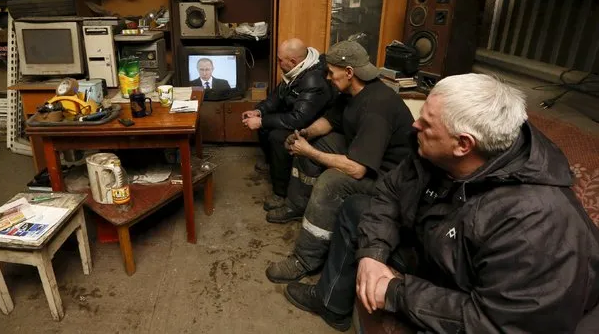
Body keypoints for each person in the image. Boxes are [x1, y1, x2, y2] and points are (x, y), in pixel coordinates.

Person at [283, 73, 599, 333]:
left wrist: (395, 292)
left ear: (463, 144)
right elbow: (390, 192)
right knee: (356, 208)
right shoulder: (433, 152)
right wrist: (373, 254)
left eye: (427, 123)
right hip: (438, 245)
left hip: (477, 292)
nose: (415, 125)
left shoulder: (538, 225)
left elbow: (498, 324)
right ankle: (332, 304)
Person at [265, 40, 414, 286]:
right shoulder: (350, 92)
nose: (328, 77)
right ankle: (297, 204)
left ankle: (305, 259)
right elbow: (330, 121)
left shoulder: (377, 105)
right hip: (365, 158)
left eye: (331, 73)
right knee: (318, 143)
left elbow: (357, 169)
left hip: (389, 180)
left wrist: (310, 152)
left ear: (349, 72)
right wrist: (305, 135)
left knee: (331, 182)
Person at [242, 38, 333, 211]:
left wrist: (261, 122)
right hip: (297, 116)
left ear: (293, 61)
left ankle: (281, 194)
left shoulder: (313, 80)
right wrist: (259, 112)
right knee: (265, 124)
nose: (277, 63)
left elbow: (299, 119)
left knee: (277, 137)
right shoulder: (296, 70)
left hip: (312, 125)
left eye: (279, 60)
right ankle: (272, 163)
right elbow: (276, 97)